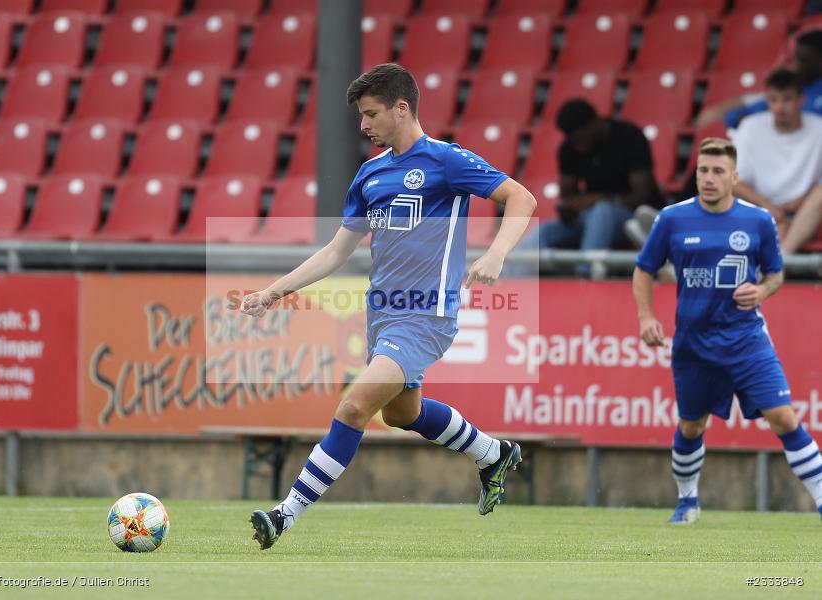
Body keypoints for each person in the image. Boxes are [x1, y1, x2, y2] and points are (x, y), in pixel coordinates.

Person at [241, 63, 538, 549]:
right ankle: (492, 453)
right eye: (362, 115)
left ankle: (285, 514)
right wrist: (276, 290)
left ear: (402, 108)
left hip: (426, 315)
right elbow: (337, 250)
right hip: (383, 316)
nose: (364, 125)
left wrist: (497, 253)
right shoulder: (370, 173)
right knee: (402, 414)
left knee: (354, 406)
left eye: (371, 114)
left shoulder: (446, 161)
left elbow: (520, 197)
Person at [632, 137, 822, 525]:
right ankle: (688, 502)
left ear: (734, 177)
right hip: (694, 343)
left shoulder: (758, 220)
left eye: (718, 171)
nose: (709, 178)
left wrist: (762, 289)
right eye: (703, 170)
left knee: (784, 417)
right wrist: (645, 316)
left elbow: (775, 274)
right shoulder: (672, 219)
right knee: (691, 424)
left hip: (746, 339)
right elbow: (644, 269)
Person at [525, 99, 661, 276]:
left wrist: (595, 200)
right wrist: (567, 208)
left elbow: (642, 195)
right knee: (544, 231)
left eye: (579, 137)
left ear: (593, 124)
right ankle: (505, 280)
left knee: (602, 211)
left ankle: (585, 276)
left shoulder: (629, 137)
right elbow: (568, 197)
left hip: (632, 215)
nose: (577, 144)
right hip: (590, 217)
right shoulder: (569, 147)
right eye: (572, 139)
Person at [731, 68, 822, 254]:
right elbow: (735, 181)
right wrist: (768, 206)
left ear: (801, 100)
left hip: (805, 210)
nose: (780, 107)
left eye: (787, 99)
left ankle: (782, 258)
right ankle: (781, 260)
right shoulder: (750, 126)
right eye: (773, 100)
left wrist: (802, 201)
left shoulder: (819, 128)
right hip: (760, 207)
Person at [696, 30, 822, 130]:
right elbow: (741, 114)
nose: (796, 65)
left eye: (803, 60)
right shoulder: (797, 86)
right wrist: (742, 118)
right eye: (796, 58)